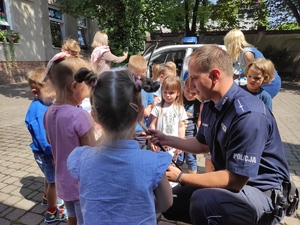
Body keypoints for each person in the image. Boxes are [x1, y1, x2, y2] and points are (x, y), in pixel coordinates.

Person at [148, 44, 290, 224]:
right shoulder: (210, 104)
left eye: (194, 78)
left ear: (215, 76)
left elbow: (236, 179)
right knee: (170, 202)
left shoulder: (249, 115)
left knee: (205, 202)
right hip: (235, 184)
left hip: (260, 191)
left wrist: (182, 177)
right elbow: (202, 144)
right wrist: (165, 138)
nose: (190, 85)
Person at [67, 69, 173, 225]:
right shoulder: (152, 162)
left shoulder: (81, 159)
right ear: (141, 113)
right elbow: (166, 203)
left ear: (95, 115)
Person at [43, 43, 96, 225]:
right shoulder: (79, 115)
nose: (89, 91)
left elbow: (52, 141)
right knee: (85, 220)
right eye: (88, 86)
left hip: (63, 180)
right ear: (75, 86)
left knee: (71, 217)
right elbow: (92, 152)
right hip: (81, 183)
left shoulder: (48, 112)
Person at [25, 67, 66, 223]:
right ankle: (52, 211)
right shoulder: (38, 112)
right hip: (47, 152)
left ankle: (46, 197)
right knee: (54, 181)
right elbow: (43, 139)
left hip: (46, 152)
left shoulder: (44, 104)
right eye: (50, 91)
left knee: (49, 179)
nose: (54, 93)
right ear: (36, 92)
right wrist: (53, 155)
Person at [224, 29, 281, 98]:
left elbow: (254, 72)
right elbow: (251, 73)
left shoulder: (247, 53)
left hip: (269, 83)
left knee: (256, 105)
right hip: (262, 82)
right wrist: (237, 75)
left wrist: (238, 76)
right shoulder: (244, 52)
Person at [149, 75, 188, 161]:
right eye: (165, 92)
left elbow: (181, 127)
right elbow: (152, 125)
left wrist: (181, 143)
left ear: (177, 93)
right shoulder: (157, 108)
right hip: (159, 144)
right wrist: (153, 141)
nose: (168, 95)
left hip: (174, 145)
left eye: (171, 93)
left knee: (171, 169)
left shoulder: (180, 109)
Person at [128, 55, 159, 149]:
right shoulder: (127, 87)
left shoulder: (146, 88)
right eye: (135, 75)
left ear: (145, 73)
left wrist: (149, 108)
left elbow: (151, 102)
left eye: (140, 75)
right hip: (128, 130)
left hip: (141, 129)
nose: (138, 78)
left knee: (141, 150)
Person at [176, 76, 200, 174]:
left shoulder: (198, 104)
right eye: (187, 91)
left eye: (193, 93)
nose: (190, 95)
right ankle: (177, 179)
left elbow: (199, 121)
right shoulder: (179, 99)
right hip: (178, 133)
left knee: (191, 158)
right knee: (179, 158)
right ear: (183, 88)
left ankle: (193, 179)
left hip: (191, 135)